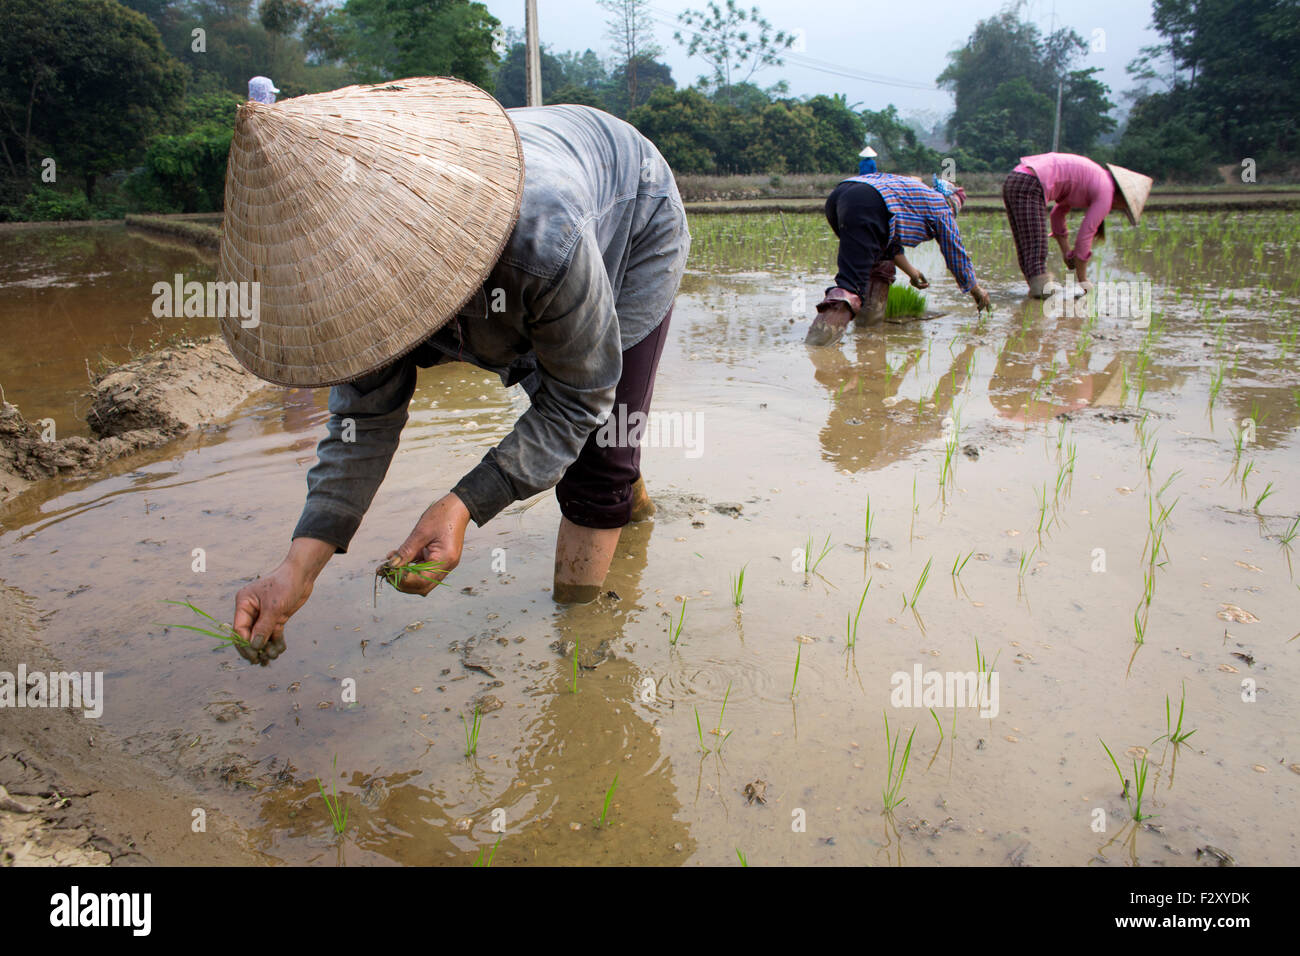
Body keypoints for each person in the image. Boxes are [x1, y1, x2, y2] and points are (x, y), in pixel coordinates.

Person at [217, 78, 689, 663]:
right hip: (536, 237)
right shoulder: (361, 275)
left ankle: (584, 647)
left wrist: (464, 503)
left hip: (632, 214)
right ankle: (629, 493)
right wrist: (297, 569)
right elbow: (363, 420)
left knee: (598, 441)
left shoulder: (544, 239)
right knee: (590, 435)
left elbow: (577, 399)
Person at [807, 172, 989, 346]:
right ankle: (817, 345)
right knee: (851, 284)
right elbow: (955, 254)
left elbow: (889, 244)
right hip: (866, 204)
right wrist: (976, 290)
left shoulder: (914, 195)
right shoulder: (942, 207)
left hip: (841, 195)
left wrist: (912, 272)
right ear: (953, 206)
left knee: (878, 262)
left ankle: (868, 329)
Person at [1001, 152, 1152, 297]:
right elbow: (1085, 237)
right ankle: (1042, 292)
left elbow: (1057, 215)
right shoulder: (1106, 191)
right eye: (1123, 207)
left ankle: (1037, 293)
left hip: (1016, 178)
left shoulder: (1096, 179)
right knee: (1036, 245)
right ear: (1122, 198)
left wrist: (1066, 252)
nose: (1119, 209)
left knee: (1025, 246)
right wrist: (1083, 280)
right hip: (1030, 183)